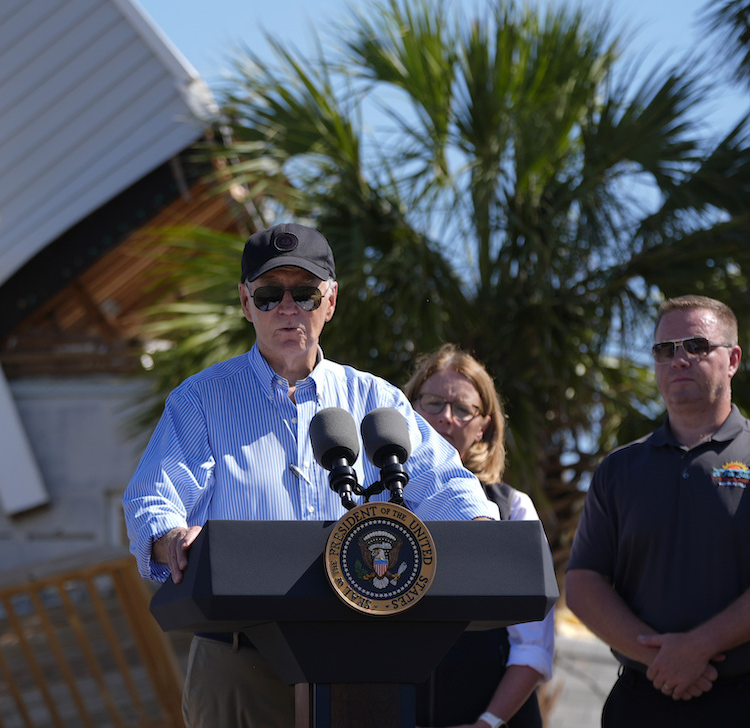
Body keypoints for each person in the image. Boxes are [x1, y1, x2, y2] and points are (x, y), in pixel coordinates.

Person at [122, 223, 497, 728]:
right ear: (245, 302)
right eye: (269, 295)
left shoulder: (377, 399)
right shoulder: (200, 399)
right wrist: (172, 538)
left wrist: (480, 533)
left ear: (331, 301)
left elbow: (448, 487)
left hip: (363, 656)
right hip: (241, 657)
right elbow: (153, 498)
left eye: (304, 294)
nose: (287, 308)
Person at [566, 295, 750, 726]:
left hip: (748, 698)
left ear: (732, 360)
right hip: (642, 698)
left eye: (696, 346)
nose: (679, 360)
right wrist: (661, 658)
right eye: (664, 350)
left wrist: (700, 647)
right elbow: (582, 582)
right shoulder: (619, 469)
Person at [405, 344, 555, 728]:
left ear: (483, 425)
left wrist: (488, 722)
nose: (446, 418)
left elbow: (532, 645)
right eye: (433, 403)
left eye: (462, 409)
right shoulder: (377, 505)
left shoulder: (511, 508)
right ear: (410, 409)